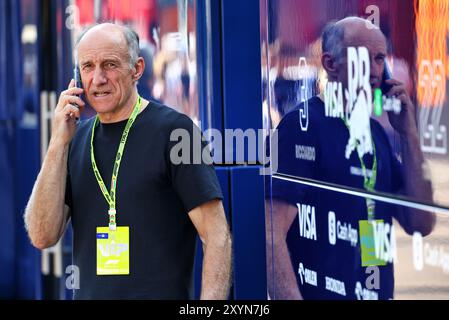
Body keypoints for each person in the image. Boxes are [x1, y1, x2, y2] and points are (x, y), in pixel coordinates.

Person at [24, 23, 232, 300]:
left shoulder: (176, 132)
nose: (97, 78)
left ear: (137, 69)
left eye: (109, 65)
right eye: (87, 67)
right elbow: (42, 235)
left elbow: (217, 237)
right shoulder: (74, 140)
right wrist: (56, 143)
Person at [267, 17, 436, 300]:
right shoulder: (301, 128)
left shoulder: (375, 134)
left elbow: (421, 222)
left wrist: (409, 134)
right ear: (331, 64)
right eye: (362, 57)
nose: (374, 69)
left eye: (380, 58)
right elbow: (270, 237)